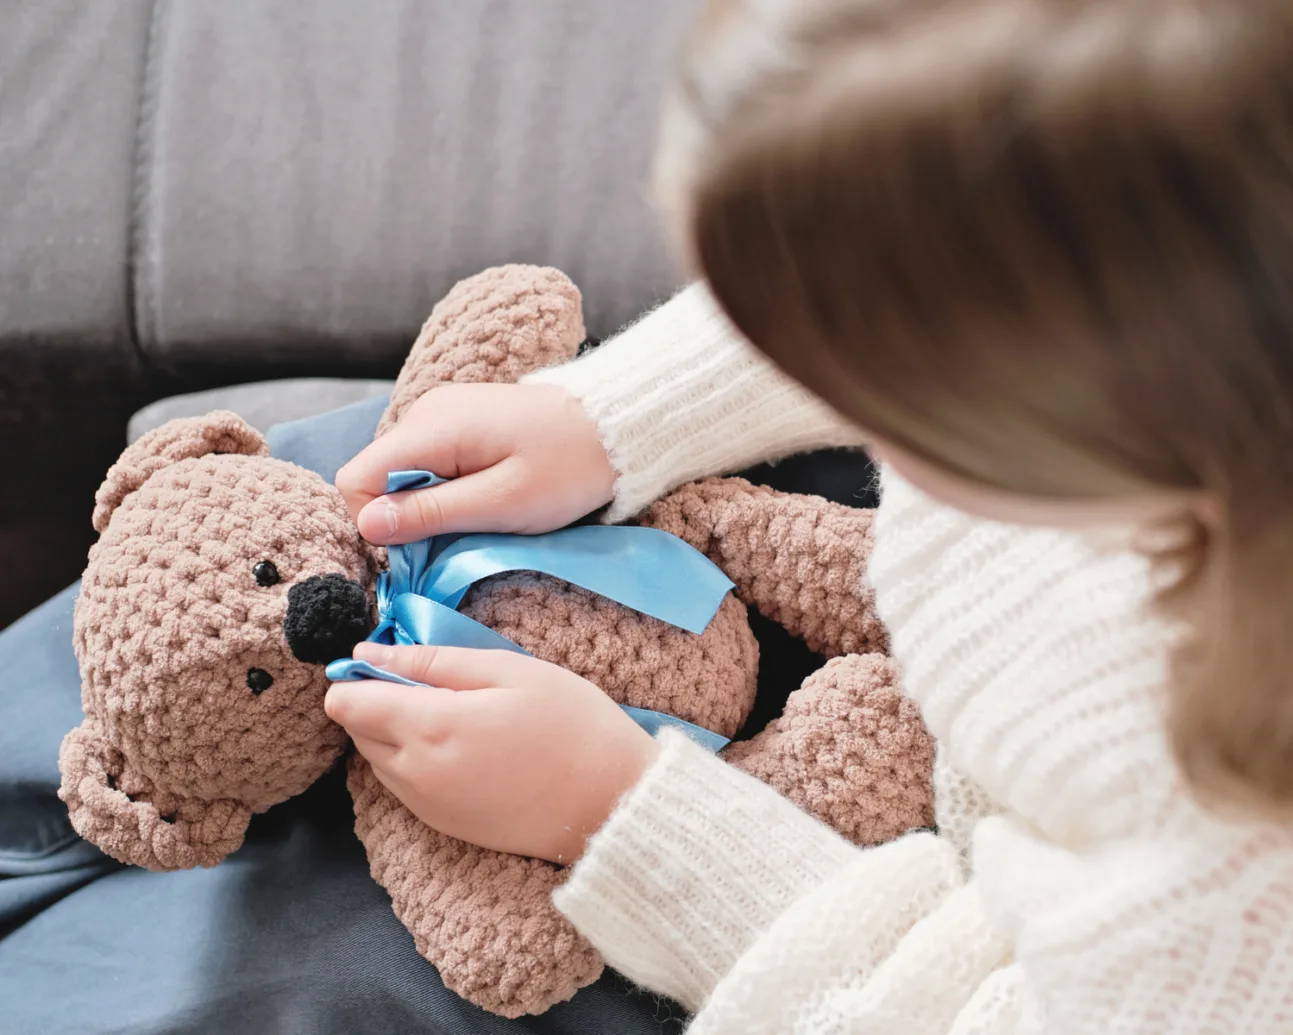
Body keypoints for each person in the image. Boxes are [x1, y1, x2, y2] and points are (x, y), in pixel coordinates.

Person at [328, 0, 1293, 1030]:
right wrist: (609, 416)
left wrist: (615, 811)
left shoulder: (1224, 886)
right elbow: (929, 236)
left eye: (868, 372)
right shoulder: (1182, 275)